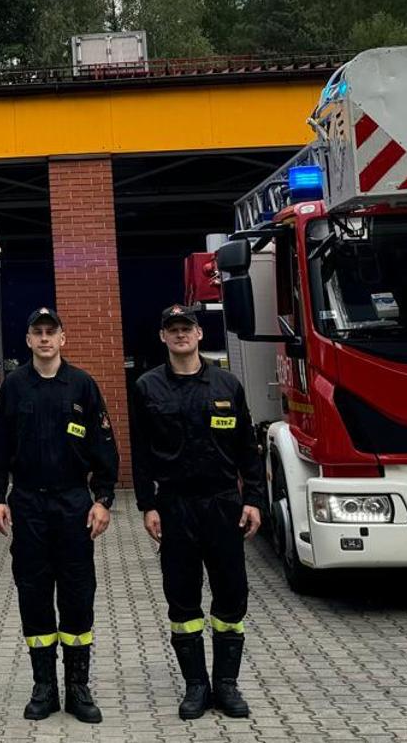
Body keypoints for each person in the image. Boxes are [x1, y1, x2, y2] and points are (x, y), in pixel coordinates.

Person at [0, 307, 119, 724]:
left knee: (78, 594)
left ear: (63, 339)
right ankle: (44, 687)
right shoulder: (13, 387)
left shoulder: (82, 386)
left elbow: (105, 447)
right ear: (27, 341)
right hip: (28, 503)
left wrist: (103, 499)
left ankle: (78, 687)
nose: (44, 339)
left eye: (51, 332)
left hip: (73, 504)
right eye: (37, 332)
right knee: (34, 594)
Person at [132, 304, 264, 720]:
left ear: (199, 334)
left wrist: (254, 499)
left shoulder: (227, 384)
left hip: (223, 505)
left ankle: (226, 685)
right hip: (175, 507)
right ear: (162, 337)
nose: (180, 335)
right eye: (172, 329)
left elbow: (247, 448)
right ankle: (196, 686)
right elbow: (139, 454)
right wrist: (147, 505)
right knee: (183, 600)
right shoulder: (147, 387)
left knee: (231, 596)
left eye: (186, 328)